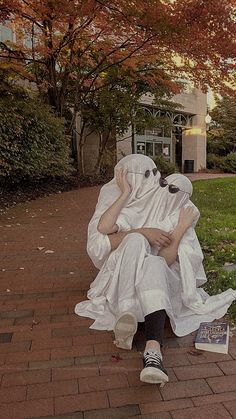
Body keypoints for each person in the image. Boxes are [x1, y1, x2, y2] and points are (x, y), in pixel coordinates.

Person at [75, 154, 236, 386]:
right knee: (135, 240)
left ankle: (153, 351)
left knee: (154, 263)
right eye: (166, 185)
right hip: (130, 272)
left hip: (161, 272)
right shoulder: (148, 201)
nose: (167, 191)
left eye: (177, 192)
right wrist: (127, 197)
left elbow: (165, 259)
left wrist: (180, 228)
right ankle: (127, 312)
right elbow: (105, 227)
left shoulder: (181, 213)